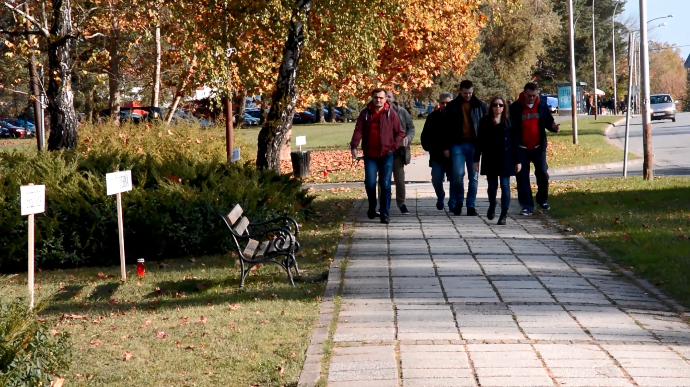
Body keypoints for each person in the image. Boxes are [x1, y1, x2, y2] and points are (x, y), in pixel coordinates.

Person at [350, 88, 405, 224]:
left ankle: (384, 213)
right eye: (376, 98)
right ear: (372, 98)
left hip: (386, 154)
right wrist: (354, 146)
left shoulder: (390, 114)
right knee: (370, 183)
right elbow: (358, 130)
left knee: (385, 184)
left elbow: (400, 132)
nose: (378, 100)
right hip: (370, 155)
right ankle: (372, 206)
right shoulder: (365, 114)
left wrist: (393, 146)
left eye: (381, 98)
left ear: (386, 99)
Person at [510, 82, 559, 216]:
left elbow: (549, 122)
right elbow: (512, 128)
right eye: (529, 95)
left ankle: (542, 199)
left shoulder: (542, 106)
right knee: (522, 177)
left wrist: (553, 127)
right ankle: (526, 205)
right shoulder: (515, 107)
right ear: (524, 94)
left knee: (542, 173)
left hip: (538, 147)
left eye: (534, 96)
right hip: (521, 148)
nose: (531, 98)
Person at [473, 96, 520, 225]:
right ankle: (492, 204)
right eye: (495, 105)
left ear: (504, 107)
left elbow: (515, 142)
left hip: (506, 158)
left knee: (505, 185)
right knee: (492, 186)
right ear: (491, 107)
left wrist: (518, 161)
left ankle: (504, 214)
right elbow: (479, 142)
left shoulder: (509, 122)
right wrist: (476, 160)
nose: (498, 107)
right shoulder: (484, 121)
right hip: (490, 158)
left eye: (500, 105)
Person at [443, 80, 487, 216]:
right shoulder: (452, 106)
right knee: (457, 174)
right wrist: (446, 147)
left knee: (473, 176)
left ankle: (471, 205)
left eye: (470, 93)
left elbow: (485, 127)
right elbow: (446, 128)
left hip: (474, 144)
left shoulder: (480, 106)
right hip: (457, 144)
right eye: (465, 93)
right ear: (460, 91)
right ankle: (459, 202)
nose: (468, 95)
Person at [421, 92, 453, 210]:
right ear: (439, 104)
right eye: (442, 103)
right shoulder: (432, 118)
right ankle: (440, 196)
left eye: (447, 103)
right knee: (436, 179)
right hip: (437, 156)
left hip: (453, 157)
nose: (445, 105)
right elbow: (426, 138)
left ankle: (452, 201)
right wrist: (439, 150)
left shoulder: (456, 118)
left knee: (455, 180)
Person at [385, 91, 415, 215]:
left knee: (399, 180)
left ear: (393, 98)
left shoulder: (402, 112)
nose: (387, 99)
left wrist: (408, 138)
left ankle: (401, 204)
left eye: (389, 96)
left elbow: (411, 127)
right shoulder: (378, 112)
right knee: (383, 180)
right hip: (383, 152)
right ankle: (383, 205)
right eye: (385, 96)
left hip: (398, 152)